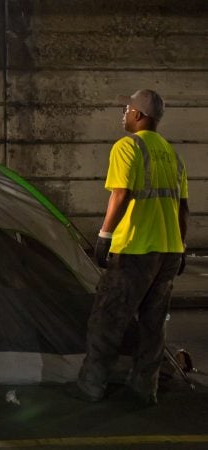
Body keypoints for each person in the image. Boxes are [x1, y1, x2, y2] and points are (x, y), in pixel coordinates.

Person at [72, 89, 189, 405]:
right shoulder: (172, 155)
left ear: (139, 114)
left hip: (135, 249)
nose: (123, 114)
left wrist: (104, 236)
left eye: (127, 108)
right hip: (168, 251)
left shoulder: (128, 147)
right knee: (153, 325)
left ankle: (91, 385)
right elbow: (182, 208)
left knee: (108, 319)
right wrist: (181, 247)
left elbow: (120, 195)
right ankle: (144, 388)